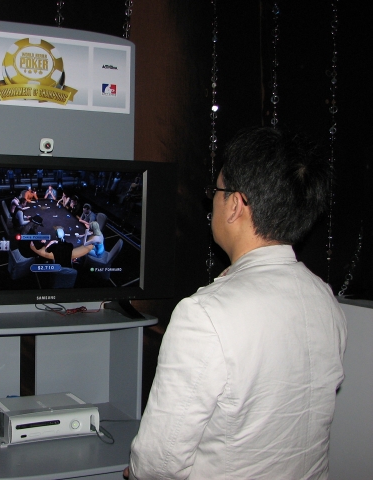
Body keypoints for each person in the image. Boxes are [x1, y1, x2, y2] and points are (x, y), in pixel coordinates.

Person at [126, 126, 347, 480]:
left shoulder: (203, 315)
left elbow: (159, 462)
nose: (211, 201)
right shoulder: (325, 299)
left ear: (235, 205)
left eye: (216, 191)